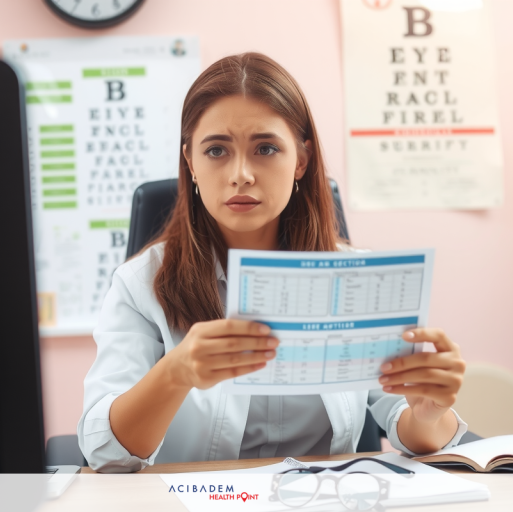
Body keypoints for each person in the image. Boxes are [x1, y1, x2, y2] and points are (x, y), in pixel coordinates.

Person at [77, 53, 467, 473]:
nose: (241, 173)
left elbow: (411, 429)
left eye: (265, 148)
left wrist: (427, 414)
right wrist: (175, 372)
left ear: (300, 160)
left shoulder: (357, 278)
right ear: (189, 161)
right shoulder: (140, 284)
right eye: (216, 150)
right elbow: (107, 456)